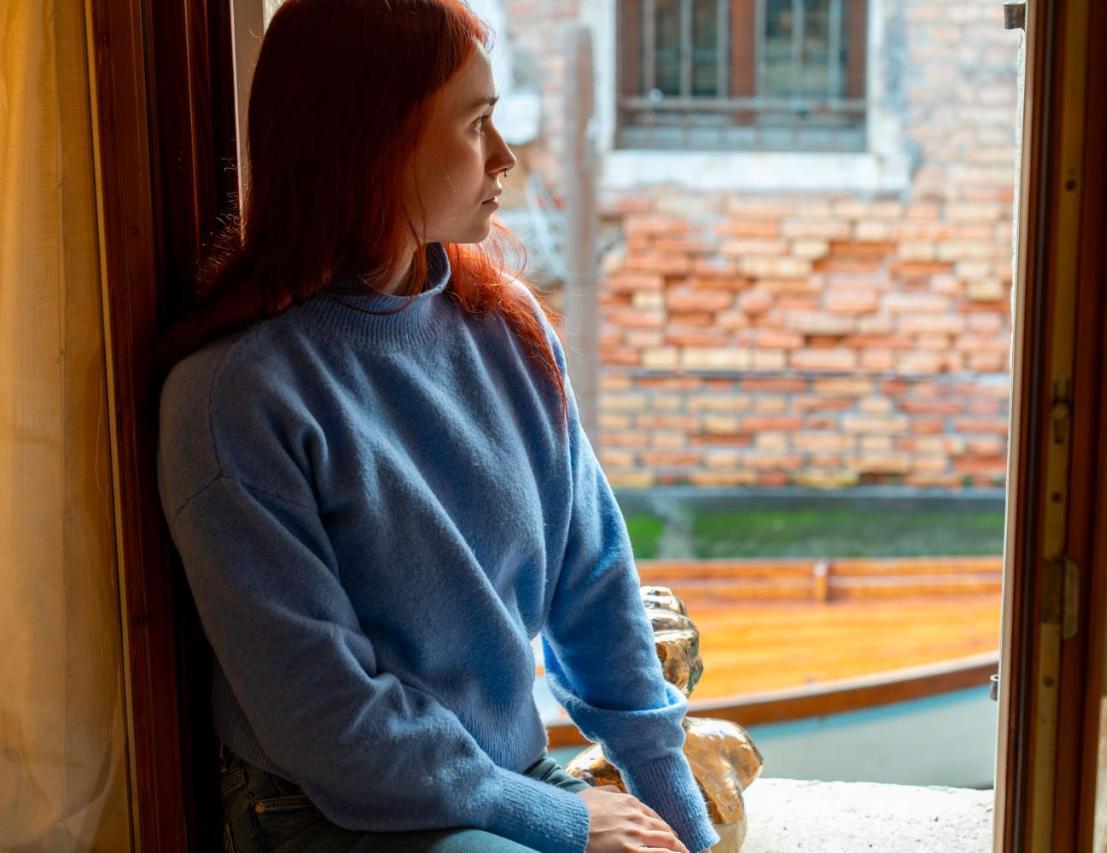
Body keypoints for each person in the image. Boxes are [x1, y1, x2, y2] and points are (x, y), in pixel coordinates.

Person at [153, 1, 719, 851]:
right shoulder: (237, 395)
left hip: (500, 779)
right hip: (325, 807)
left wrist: (675, 810)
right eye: (476, 124)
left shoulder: (505, 325)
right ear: (370, 144)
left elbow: (594, 580)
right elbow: (325, 719)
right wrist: (560, 818)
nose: (505, 157)